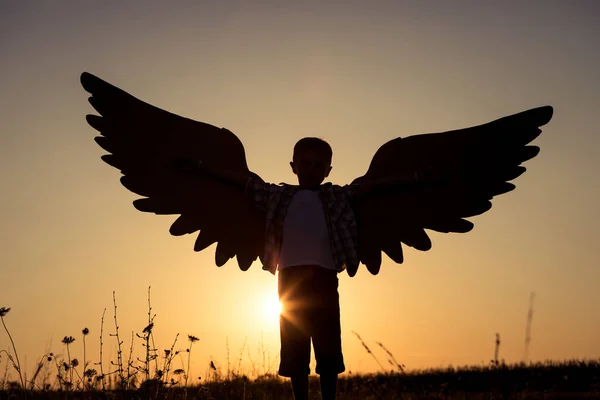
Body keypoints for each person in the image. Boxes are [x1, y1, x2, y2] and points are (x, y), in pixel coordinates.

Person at [200, 137, 417, 400]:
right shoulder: (277, 195)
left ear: (328, 171)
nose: (312, 170)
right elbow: (245, 182)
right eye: (306, 164)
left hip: (324, 277)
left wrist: (413, 179)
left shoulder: (337, 195)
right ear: (293, 166)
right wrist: (204, 168)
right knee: (294, 346)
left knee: (327, 346)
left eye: (318, 165)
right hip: (290, 280)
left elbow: (371, 187)